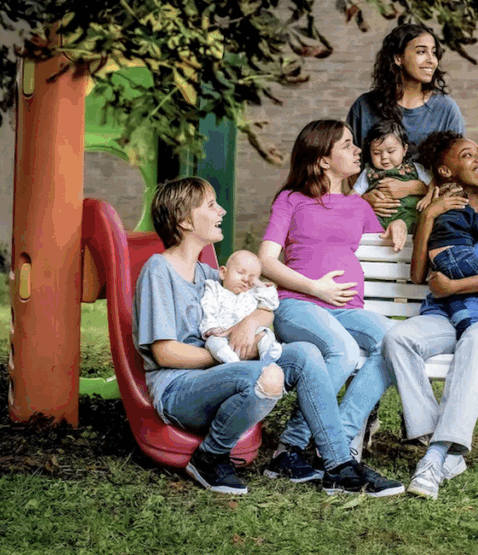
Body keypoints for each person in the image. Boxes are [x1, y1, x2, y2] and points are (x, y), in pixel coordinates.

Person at [134, 177, 403, 496]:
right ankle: (210, 457)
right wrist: (231, 353)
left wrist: (250, 322)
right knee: (268, 375)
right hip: (178, 389)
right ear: (185, 221)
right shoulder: (159, 270)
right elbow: (165, 354)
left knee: (305, 354)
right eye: (211, 205)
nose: (221, 211)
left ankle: (338, 465)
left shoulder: (209, 273)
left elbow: (266, 304)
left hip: (221, 373)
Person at [257, 119, 405, 485]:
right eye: (347, 144)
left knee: (396, 343)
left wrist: (398, 225)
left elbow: (384, 236)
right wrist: (315, 288)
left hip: (347, 310)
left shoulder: (359, 206)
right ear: (323, 159)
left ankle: (335, 437)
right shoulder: (291, 200)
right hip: (299, 304)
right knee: (342, 349)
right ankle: (291, 448)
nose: (358, 150)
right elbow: (266, 260)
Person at [382, 131, 478, 500]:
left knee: (475, 339)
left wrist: (455, 287)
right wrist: (429, 214)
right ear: (446, 171)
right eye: (467, 155)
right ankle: (439, 441)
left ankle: (434, 458)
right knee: (399, 338)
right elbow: (418, 275)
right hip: (443, 317)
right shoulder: (435, 215)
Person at [346, 23, 465, 222]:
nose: (431, 60)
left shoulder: (446, 109)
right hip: (373, 218)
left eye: (434, 53)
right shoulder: (364, 107)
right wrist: (364, 199)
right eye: (421, 52)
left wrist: (413, 187)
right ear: (398, 58)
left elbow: (456, 175)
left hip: (428, 218)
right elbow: (349, 167)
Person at [424, 181, 478, 337]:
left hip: (437, 259)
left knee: (450, 293)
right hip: (457, 252)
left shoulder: (435, 215)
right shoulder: (465, 210)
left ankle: (461, 320)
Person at [351, 119, 434, 237]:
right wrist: (364, 200)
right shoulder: (368, 172)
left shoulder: (416, 168)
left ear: (404, 150)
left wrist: (429, 196)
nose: (384, 157)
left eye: (391, 151)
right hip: (378, 222)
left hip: (410, 220)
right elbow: (352, 197)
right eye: (376, 153)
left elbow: (434, 183)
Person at [199, 249, 282, 365]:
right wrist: (211, 328)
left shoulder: (253, 293)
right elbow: (207, 309)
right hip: (223, 334)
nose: (246, 279)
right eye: (240, 273)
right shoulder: (214, 289)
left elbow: (271, 304)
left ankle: (267, 355)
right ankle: (229, 358)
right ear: (223, 273)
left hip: (250, 337)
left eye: (252, 277)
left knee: (266, 334)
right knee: (212, 341)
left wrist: (259, 284)